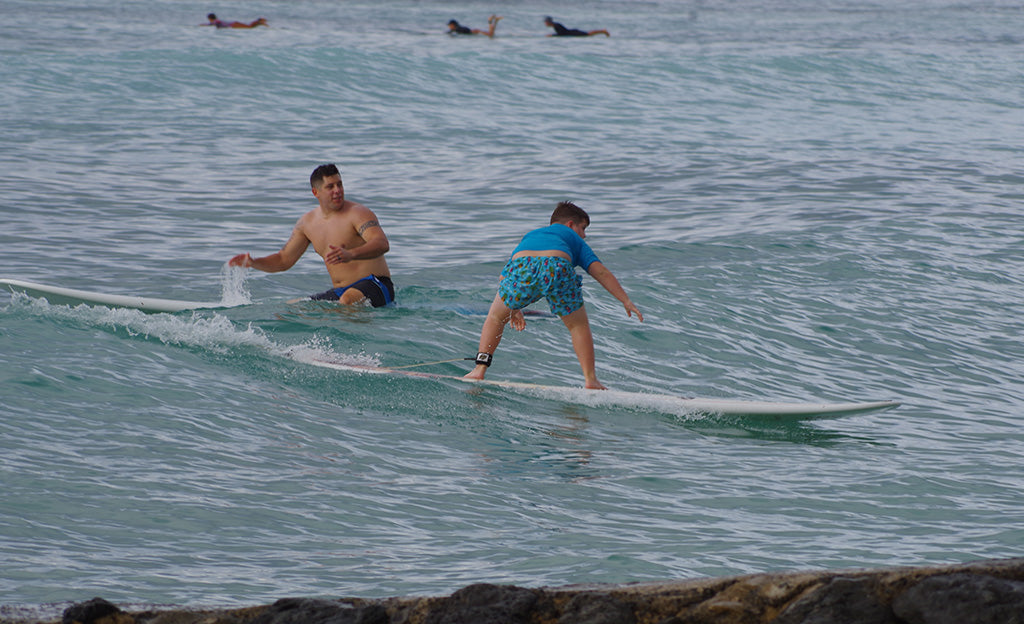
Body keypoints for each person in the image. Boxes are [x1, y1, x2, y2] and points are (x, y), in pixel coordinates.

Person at [464, 201, 642, 389]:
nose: (584, 235)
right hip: (557, 266)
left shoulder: (531, 235)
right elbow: (600, 272)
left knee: (495, 317)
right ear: (570, 225)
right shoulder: (574, 239)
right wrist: (625, 300)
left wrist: (513, 307)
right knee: (577, 325)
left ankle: (479, 370)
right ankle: (591, 380)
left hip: (522, 267)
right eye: (583, 228)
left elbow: (505, 276)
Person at [228, 164, 395, 307]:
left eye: (340, 185)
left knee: (347, 300)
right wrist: (253, 263)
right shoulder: (307, 224)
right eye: (330, 187)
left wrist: (351, 254)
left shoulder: (358, 213)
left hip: (376, 284)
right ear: (316, 192)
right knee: (292, 308)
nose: (337, 191)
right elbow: (283, 260)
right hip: (341, 291)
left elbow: (381, 243)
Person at [543, 16, 609, 37]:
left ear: (549, 22)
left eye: (545, 22)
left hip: (573, 33)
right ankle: (602, 31)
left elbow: (562, 34)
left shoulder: (556, 25)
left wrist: (552, 35)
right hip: (572, 32)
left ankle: (603, 31)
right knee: (588, 34)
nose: (545, 24)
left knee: (588, 34)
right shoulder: (555, 25)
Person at [204, 13, 268, 29]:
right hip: (233, 24)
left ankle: (259, 20)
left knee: (249, 27)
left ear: (210, 18)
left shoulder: (215, 21)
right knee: (250, 27)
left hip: (233, 24)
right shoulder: (216, 21)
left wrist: (205, 25)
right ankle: (259, 22)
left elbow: (216, 23)